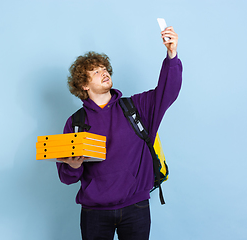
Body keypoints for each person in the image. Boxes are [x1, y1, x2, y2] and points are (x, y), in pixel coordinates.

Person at [56, 27, 182, 240]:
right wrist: (73, 166)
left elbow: (167, 91)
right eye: (96, 71)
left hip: (136, 208)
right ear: (84, 85)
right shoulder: (75, 122)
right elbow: (66, 177)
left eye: (105, 68)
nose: (104, 72)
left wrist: (172, 56)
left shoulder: (136, 107)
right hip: (94, 212)